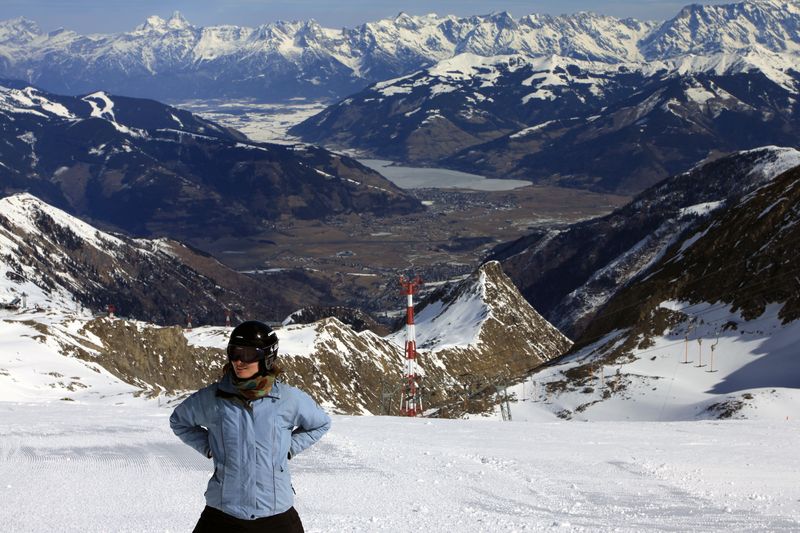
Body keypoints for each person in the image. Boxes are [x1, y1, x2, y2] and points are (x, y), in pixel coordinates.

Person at [170, 320, 331, 532]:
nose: (239, 361)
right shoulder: (214, 398)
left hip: (275, 512)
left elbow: (320, 423)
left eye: (248, 354)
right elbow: (179, 421)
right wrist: (210, 446)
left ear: (267, 357)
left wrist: (289, 448)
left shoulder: (287, 399)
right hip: (224, 512)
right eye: (234, 353)